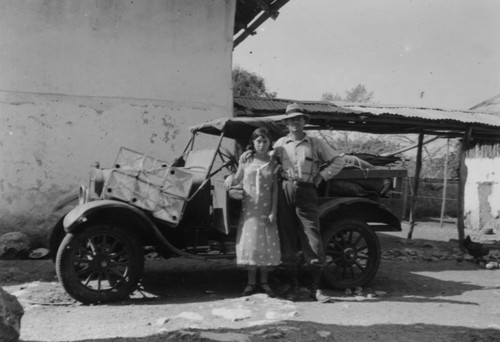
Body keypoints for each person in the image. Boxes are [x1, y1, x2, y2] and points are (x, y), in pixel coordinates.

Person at [273, 102, 353, 303]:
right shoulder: (280, 144)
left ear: (304, 122)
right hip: (285, 191)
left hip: (307, 190)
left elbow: (339, 160)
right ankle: (291, 287)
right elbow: (266, 162)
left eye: (298, 119)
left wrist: (321, 177)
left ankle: (316, 289)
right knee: (287, 236)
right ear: (287, 123)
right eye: (291, 119)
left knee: (312, 236)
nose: (295, 122)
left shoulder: (315, 143)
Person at [224, 127, 281, 297]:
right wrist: (229, 178)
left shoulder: (273, 164)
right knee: (251, 244)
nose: (262, 144)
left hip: (266, 209)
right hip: (249, 210)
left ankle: (264, 282)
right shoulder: (246, 160)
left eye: (264, 141)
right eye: (258, 141)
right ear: (253, 142)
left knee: (265, 244)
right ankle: (250, 283)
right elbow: (237, 178)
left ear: (269, 142)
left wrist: (274, 212)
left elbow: (275, 190)